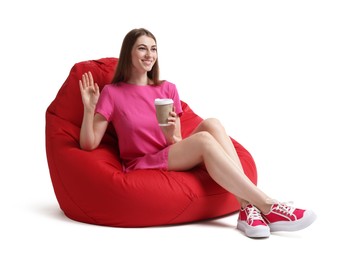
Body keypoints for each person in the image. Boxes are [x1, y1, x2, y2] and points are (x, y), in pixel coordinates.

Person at [79, 28, 316, 238]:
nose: (149, 54)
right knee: (203, 139)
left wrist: (171, 132)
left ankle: (247, 208)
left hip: (168, 152)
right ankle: (268, 205)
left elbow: (178, 142)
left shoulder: (167, 88)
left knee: (212, 123)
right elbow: (89, 145)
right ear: (128, 53)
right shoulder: (112, 93)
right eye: (142, 48)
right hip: (142, 162)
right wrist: (89, 109)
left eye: (153, 49)